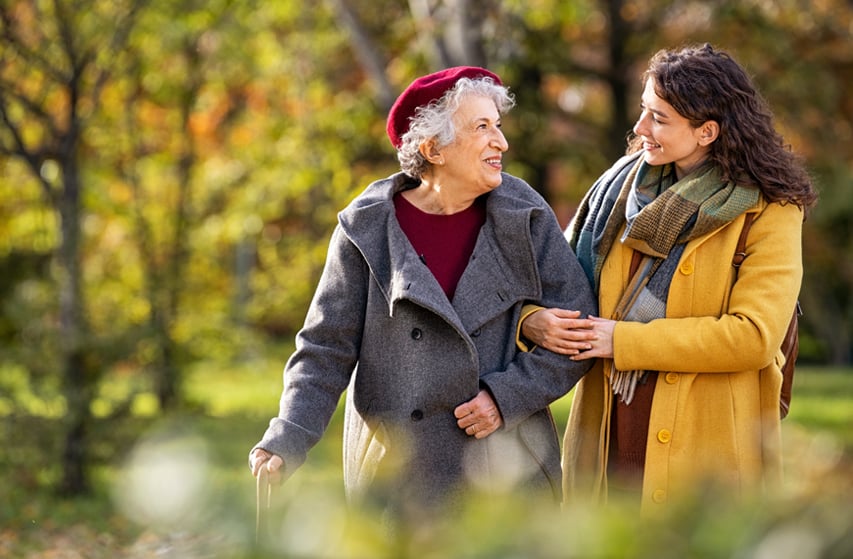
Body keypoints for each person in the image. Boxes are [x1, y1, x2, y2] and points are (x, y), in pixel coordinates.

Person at [249, 66, 596, 524]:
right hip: (399, 475)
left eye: (498, 125)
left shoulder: (525, 215)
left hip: (508, 469)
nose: (501, 142)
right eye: (482, 127)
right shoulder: (367, 229)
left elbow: (578, 330)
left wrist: (505, 396)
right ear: (433, 148)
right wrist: (288, 434)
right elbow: (325, 348)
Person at [519, 44, 817, 512]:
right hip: (608, 435)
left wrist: (625, 341)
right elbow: (550, 284)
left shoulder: (771, 211)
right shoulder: (616, 195)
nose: (640, 129)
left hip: (707, 451)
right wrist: (533, 320)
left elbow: (754, 336)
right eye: (643, 111)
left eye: (658, 118)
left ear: (707, 131)